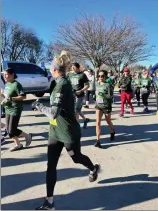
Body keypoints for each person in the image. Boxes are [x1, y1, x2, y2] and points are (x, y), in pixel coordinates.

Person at [32, 51, 100, 210]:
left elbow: (53, 112)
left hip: (69, 132)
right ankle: (49, 202)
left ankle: (92, 168)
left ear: (54, 69)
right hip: (55, 131)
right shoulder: (56, 82)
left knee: (76, 158)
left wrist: (38, 106)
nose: (49, 68)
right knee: (51, 165)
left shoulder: (62, 85)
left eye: (50, 66)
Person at [1, 68, 32, 151]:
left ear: (12, 75)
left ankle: (27, 136)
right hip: (8, 108)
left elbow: (23, 96)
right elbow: (7, 96)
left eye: (6, 74)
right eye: (4, 74)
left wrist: (11, 99)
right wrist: (2, 95)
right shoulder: (7, 84)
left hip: (15, 109)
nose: (4, 76)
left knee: (12, 129)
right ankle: (18, 144)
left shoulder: (16, 84)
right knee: (8, 130)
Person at [93, 70, 115, 148]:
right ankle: (98, 141)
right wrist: (94, 96)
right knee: (98, 123)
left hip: (106, 106)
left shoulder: (107, 85)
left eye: (102, 76)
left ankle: (112, 131)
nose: (100, 78)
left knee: (108, 121)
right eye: (99, 76)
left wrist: (103, 95)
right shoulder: (96, 84)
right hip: (98, 106)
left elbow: (110, 97)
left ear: (105, 77)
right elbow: (95, 93)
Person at [67, 62, 90, 128]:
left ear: (78, 67)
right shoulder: (69, 74)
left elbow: (88, 85)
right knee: (78, 110)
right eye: (72, 67)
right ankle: (85, 120)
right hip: (72, 94)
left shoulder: (82, 75)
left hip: (79, 95)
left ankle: (76, 126)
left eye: (74, 67)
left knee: (76, 109)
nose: (73, 68)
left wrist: (81, 90)